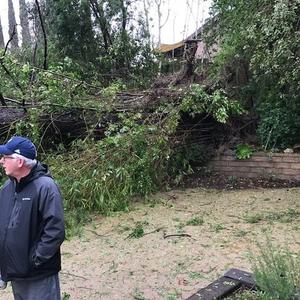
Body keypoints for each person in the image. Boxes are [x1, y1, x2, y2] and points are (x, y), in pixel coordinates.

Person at [0, 136, 65, 300]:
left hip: (38, 275)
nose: (1, 161)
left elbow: (55, 231)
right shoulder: (7, 188)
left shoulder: (45, 187)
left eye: (5, 157)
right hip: (16, 274)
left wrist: (35, 260)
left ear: (20, 161)